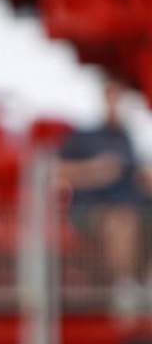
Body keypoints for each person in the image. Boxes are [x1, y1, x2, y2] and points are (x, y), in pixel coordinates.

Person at [57, 76, 152, 319]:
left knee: (132, 218)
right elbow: (55, 171)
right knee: (121, 221)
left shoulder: (130, 139)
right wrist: (94, 170)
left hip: (134, 207)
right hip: (92, 210)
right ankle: (125, 290)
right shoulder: (84, 137)